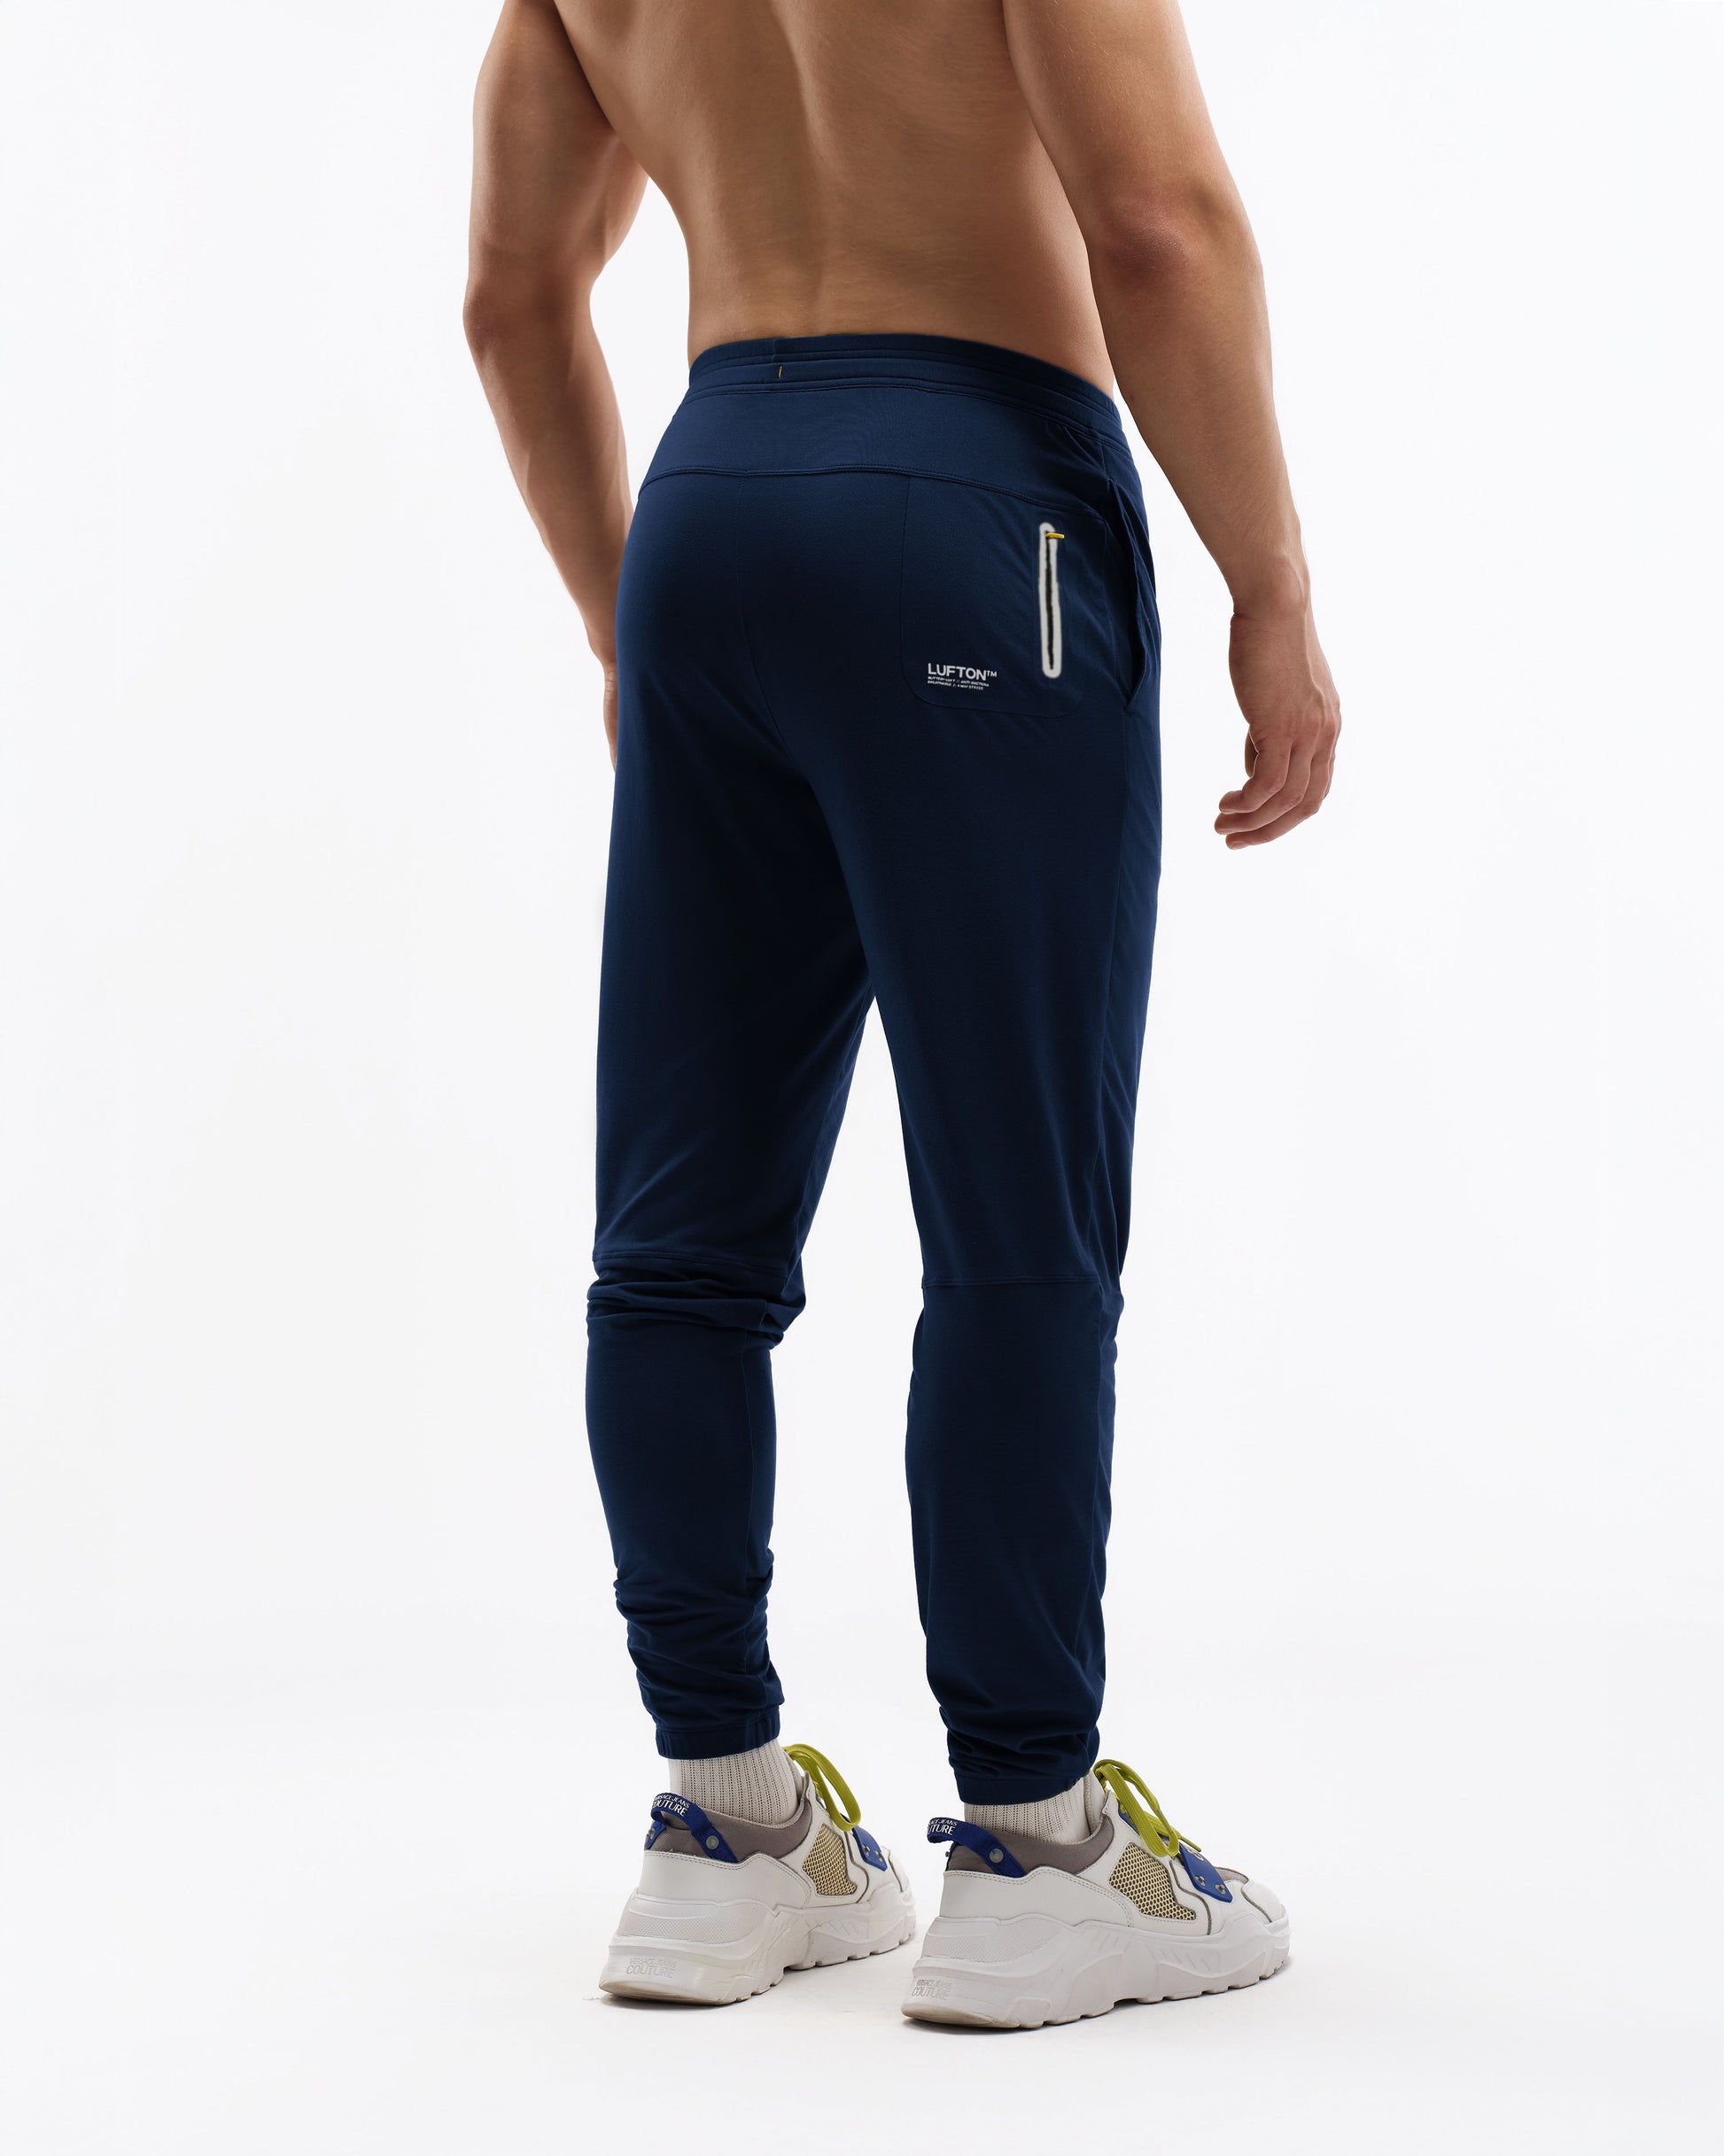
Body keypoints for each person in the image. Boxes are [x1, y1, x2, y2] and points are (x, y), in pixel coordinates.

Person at [464, 0, 1340, 2028]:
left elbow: (513, 300)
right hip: (974, 505)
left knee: (680, 1232)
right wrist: (1270, 583)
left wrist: (619, 618)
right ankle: (1035, 1846)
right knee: (1018, 1216)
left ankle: (724, 1825)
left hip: (710, 514)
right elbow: (1154, 218)